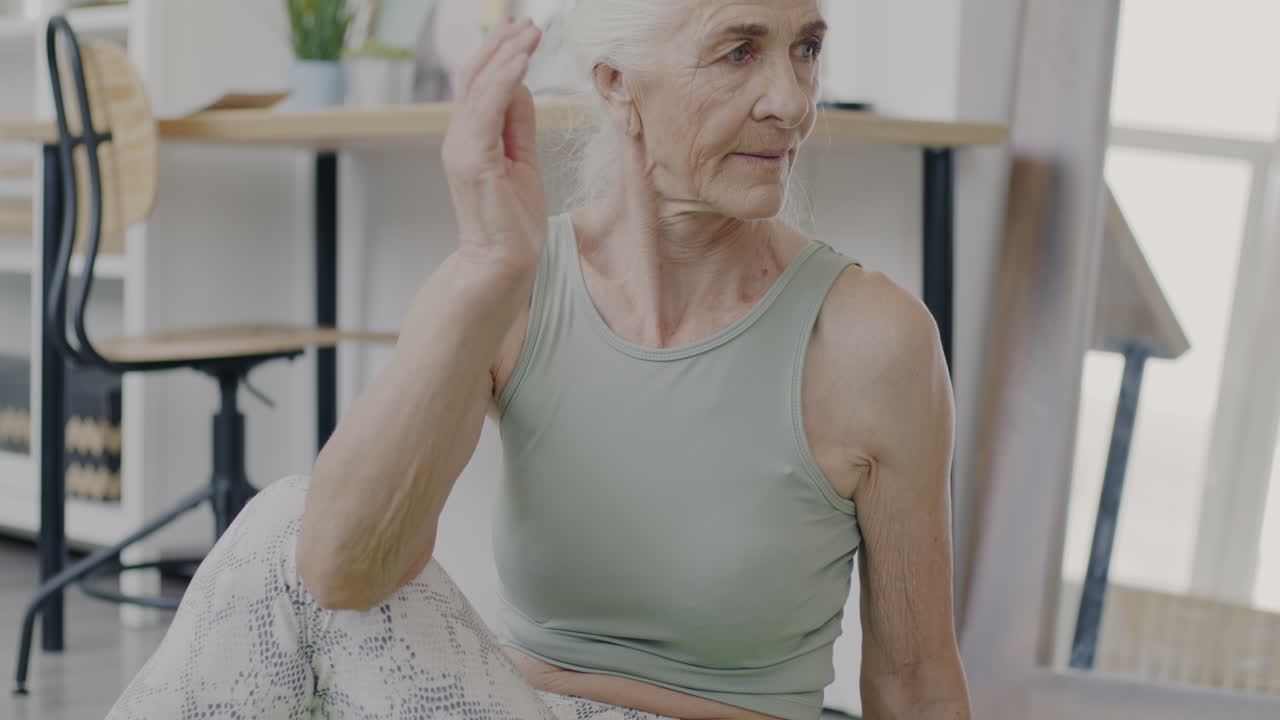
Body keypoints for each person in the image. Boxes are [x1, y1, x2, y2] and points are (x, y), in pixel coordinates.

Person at [108, 1, 970, 718]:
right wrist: (486, 268)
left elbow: (913, 672)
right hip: (514, 702)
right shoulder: (521, 280)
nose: (790, 100)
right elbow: (340, 566)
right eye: (740, 51)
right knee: (293, 530)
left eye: (806, 49)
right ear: (617, 86)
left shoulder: (871, 339)